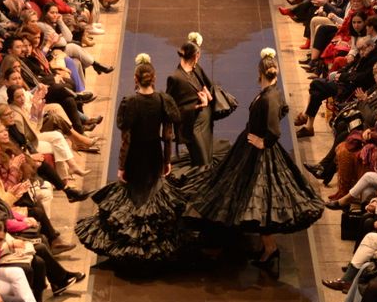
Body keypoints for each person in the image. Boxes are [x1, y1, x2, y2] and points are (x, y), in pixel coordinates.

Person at [181, 48, 323, 267]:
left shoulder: (269, 97)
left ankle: (269, 249)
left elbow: (274, 130)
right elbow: (283, 110)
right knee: (251, 195)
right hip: (249, 146)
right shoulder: (271, 92)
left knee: (259, 197)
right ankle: (266, 248)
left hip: (258, 153)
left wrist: (263, 141)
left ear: (260, 73)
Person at [76, 54, 188, 263]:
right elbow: (167, 135)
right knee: (151, 195)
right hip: (154, 153)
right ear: (153, 79)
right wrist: (167, 160)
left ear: (136, 79)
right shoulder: (164, 100)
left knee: (133, 197)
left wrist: (121, 166)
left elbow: (126, 140)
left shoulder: (130, 102)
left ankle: (131, 248)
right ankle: (151, 248)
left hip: (135, 155)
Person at [164, 34, 215, 166]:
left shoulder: (196, 68)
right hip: (192, 125)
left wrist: (207, 98)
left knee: (207, 158)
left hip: (205, 122)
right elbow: (169, 107)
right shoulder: (175, 78)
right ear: (195, 56)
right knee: (201, 161)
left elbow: (207, 86)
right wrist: (196, 107)